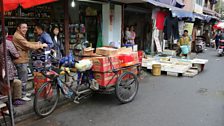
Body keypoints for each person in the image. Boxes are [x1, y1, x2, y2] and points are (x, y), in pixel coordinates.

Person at [13, 22, 48, 101]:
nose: (25, 29)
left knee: (23, 77)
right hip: (20, 60)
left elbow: (28, 43)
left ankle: (23, 92)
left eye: (26, 27)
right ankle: (22, 95)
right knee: (23, 78)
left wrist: (37, 43)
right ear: (18, 28)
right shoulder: (18, 36)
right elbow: (27, 45)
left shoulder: (20, 35)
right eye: (23, 27)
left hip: (22, 59)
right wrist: (41, 45)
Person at [0, 26, 25, 105]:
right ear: (6, 34)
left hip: (2, 69)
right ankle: (11, 101)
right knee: (10, 84)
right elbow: (16, 55)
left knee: (14, 83)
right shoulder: (7, 43)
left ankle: (12, 100)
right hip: (6, 68)